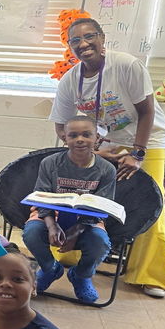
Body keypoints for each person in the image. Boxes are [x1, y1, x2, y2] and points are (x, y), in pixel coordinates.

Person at [48, 18, 165, 297]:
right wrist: (92, 151)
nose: (83, 44)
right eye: (75, 41)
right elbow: (60, 125)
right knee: (85, 196)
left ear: (102, 38)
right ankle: (72, 256)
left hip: (147, 139)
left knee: (150, 202)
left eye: (89, 36)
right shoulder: (71, 79)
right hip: (103, 145)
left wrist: (137, 154)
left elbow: (147, 112)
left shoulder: (126, 65)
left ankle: (150, 275)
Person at [25, 117, 116, 304]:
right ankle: (50, 269)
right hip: (52, 214)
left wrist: (76, 231)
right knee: (32, 232)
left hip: (87, 219)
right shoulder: (50, 163)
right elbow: (41, 198)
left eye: (86, 134)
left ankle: (81, 276)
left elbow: (101, 207)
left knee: (100, 242)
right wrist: (51, 226)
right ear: (64, 138)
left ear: (97, 138)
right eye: (73, 135)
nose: (80, 139)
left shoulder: (106, 170)